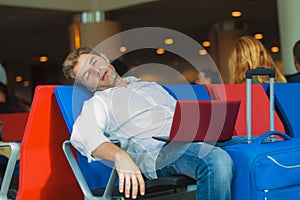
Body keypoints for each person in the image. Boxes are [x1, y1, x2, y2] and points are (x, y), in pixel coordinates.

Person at [62, 47, 246, 200]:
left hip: (192, 139)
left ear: (103, 57)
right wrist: (120, 156)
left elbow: (179, 116)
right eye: (87, 75)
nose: (96, 71)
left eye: (94, 63)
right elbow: (83, 136)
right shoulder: (98, 103)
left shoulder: (148, 86)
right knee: (215, 160)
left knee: (261, 143)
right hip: (161, 153)